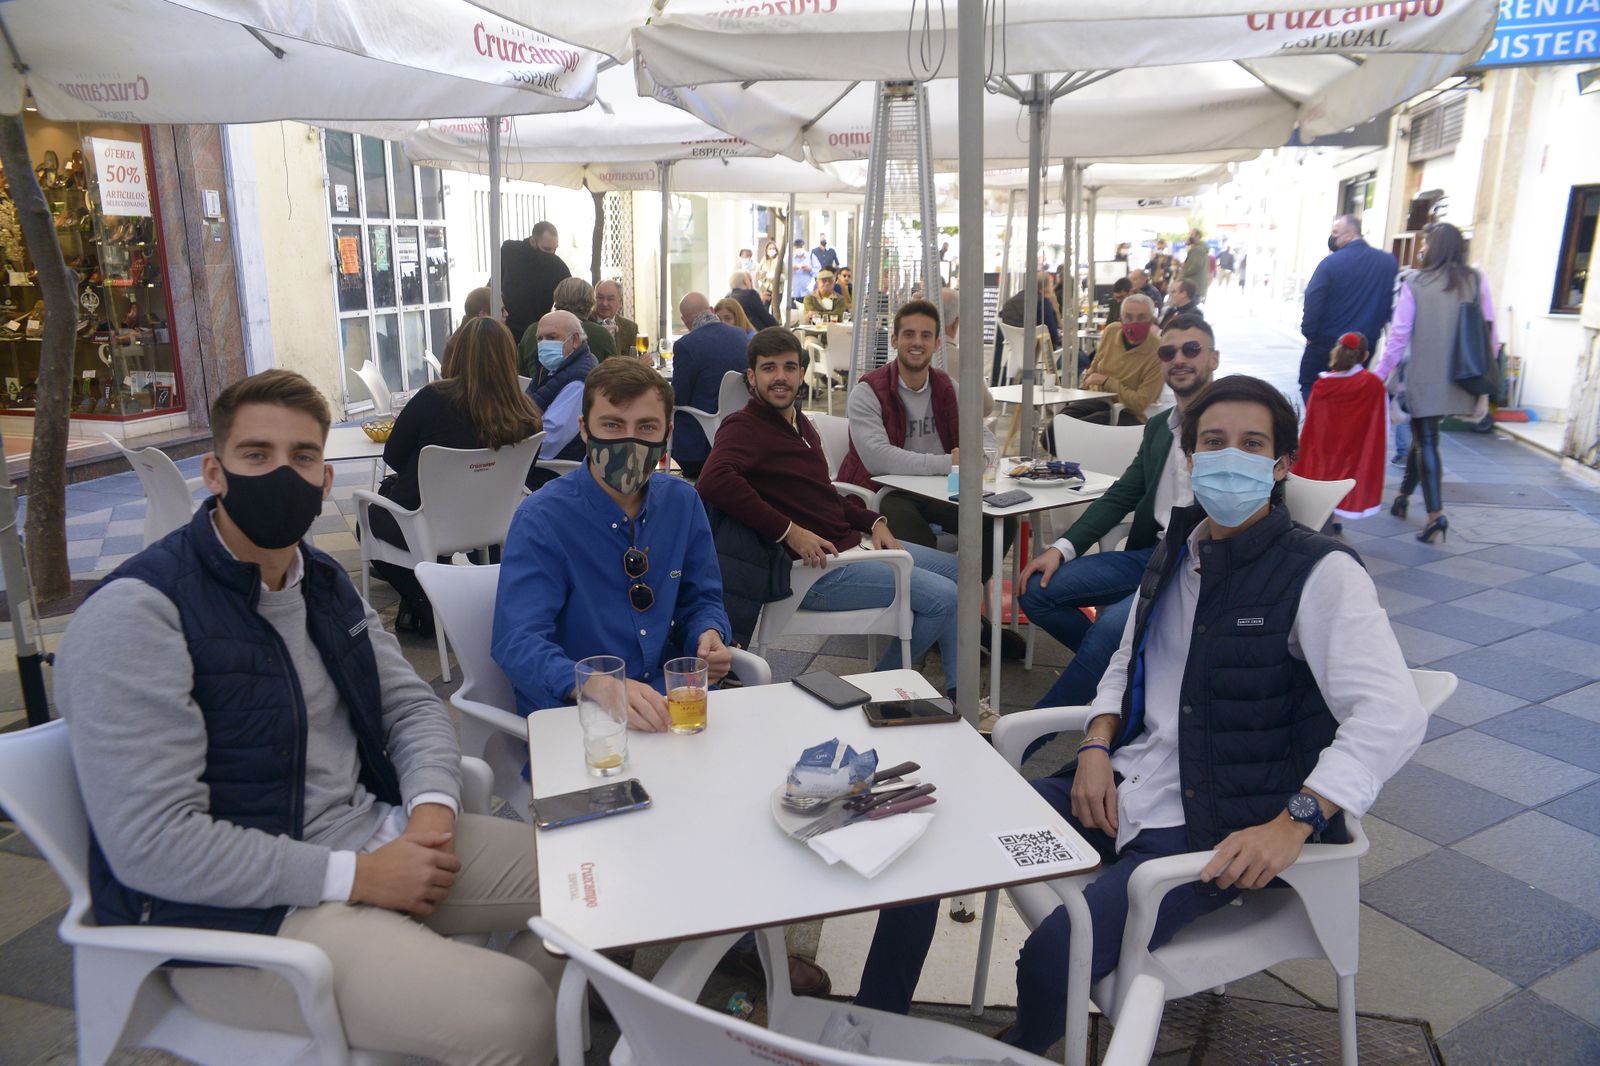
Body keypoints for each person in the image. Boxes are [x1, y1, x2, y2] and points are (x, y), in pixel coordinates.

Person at [858, 374, 1427, 1055]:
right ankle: (867, 1031)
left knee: (1049, 959)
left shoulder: (1320, 573)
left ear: (1280, 466)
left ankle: (1026, 1044)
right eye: (1213, 442)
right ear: (1187, 456)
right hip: (1117, 787)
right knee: (930, 847)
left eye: (1252, 445)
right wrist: (1097, 744)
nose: (1229, 458)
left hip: (1212, 825)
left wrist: (1296, 820)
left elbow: (1391, 712)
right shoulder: (1178, 551)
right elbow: (1127, 664)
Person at [57, 369, 563, 1066]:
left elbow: (411, 705)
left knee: (596, 885)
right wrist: (356, 878)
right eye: (256, 456)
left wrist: (432, 812)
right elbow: (153, 843)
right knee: (515, 1009)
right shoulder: (139, 615)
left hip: (381, 840)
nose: (282, 475)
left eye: (301, 458)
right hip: (245, 925)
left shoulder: (318, 581)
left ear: (325, 479)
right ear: (214, 472)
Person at [491, 357, 833, 999]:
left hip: (672, 706)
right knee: (629, 840)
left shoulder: (682, 501)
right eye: (611, 424)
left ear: (668, 434)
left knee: (749, 796)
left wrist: (711, 635)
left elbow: (704, 594)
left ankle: (730, 939)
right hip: (581, 728)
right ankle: (611, 954)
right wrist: (592, 684)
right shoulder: (544, 519)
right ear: (585, 430)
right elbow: (515, 640)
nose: (629, 440)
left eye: (646, 427)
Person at [696, 327, 962, 697]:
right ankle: (875, 690)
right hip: (818, 573)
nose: (781, 377)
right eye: (769, 368)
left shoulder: (800, 424)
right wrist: (789, 531)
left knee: (960, 574)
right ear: (752, 378)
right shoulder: (744, 426)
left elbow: (824, 496)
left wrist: (875, 520)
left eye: (789, 367)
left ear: (801, 374)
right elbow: (712, 481)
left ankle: (958, 692)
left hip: (851, 548)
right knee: (945, 598)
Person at [1019, 313, 1217, 713]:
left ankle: (1026, 739)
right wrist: (1062, 547)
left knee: (1111, 629)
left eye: (1191, 349)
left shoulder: (1229, 424)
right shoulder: (1161, 426)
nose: (1179, 358)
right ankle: (1126, 670)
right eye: (1169, 351)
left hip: (1200, 565)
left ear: (1213, 358)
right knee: (1035, 591)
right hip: (1151, 555)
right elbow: (1122, 493)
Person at [369, 317, 544, 633]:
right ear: (508, 356)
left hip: (424, 524)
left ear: (457, 353)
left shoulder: (433, 398)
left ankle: (427, 601)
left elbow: (392, 455)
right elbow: (525, 473)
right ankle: (443, 595)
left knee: (368, 519)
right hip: (494, 522)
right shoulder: (527, 411)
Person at [838, 298, 1012, 592]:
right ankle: (937, 610)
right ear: (894, 340)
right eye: (909, 334)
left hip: (941, 492)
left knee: (1001, 521)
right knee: (910, 528)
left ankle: (964, 608)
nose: (917, 343)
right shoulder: (868, 391)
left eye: (926, 335)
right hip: (887, 492)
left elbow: (985, 441)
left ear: (937, 343)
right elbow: (878, 459)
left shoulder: (947, 388)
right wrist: (949, 463)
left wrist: (978, 458)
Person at [1370, 221, 1496, 545]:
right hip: (1463, 375)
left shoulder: (1416, 282)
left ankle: (1435, 515)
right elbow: (1490, 332)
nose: (1422, 247)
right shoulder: (1476, 280)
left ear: (1433, 247)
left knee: (1426, 439)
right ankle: (1402, 496)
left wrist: (1380, 373)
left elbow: (1398, 337)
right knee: (1422, 437)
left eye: (1425, 243)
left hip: (1425, 376)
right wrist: (1489, 369)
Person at [1299, 214, 1399, 401]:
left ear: (1350, 234)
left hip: (1327, 342)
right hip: (1364, 345)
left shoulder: (1331, 263)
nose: (1332, 237)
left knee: (1312, 386)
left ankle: (1324, 427)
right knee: (1352, 394)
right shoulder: (1388, 263)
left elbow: (1313, 297)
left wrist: (1309, 333)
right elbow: (1390, 302)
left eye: (1335, 233)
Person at [1297, 332, 1389, 529]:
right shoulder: (1373, 385)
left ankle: (1323, 512)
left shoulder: (1322, 385)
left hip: (1326, 445)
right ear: (1365, 356)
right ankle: (1338, 518)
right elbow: (1380, 422)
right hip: (1355, 445)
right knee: (1348, 476)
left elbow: (1312, 424)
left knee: (1324, 473)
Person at [670, 292, 752, 478]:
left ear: (684, 320)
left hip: (700, 449)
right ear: (712, 310)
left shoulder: (686, 345)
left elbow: (679, 397)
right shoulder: (740, 335)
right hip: (739, 434)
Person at [1060, 293, 1163, 426]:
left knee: (1074, 429)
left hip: (1130, 413)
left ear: (1151, 319)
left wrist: (1106, 381)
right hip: (1097, 399)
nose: (1134, 323)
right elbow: (1094, 367)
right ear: (1121, 318)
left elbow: (1139, 403)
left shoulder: (1158, 351)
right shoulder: (1111, 331)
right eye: (1129, 317)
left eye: (1141, 317)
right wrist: (1085, 386)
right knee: (1056, 426)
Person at [526, 310, 597, 464]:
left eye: (552, 337)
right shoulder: (549, 368)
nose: (544, 343)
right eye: (539, 339)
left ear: (575, 340)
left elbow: (548, 440)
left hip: (549, 470)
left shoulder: (578, 381)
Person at [501, 220, 570, 344]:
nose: (552, 254)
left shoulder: (558, 267)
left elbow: (571, 299)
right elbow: (494, 283)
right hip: (506, 329)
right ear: (533, 241)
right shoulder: (509, 251)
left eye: (555, 249)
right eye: (547, 249)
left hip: (536, 334)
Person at [994, 272, 1062, 386]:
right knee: (1080, 359)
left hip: (1013, 353)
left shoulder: (1010, 302)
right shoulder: (1043, 303)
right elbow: (1053, 336)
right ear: (1047, 286)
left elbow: (1002, 319)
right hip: (1040, 356)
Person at [529, 277, 616, 365]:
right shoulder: (601, 334)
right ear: (590, 302)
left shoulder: (532, 330)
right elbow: (614, 370)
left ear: (556, 298)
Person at [937, 287, 994, 416]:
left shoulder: (911, 358)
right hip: (959, 433)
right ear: (956, 323)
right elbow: (986, 407)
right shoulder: (964, 361)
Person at [594, 278, 639, 356]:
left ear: (620, 302)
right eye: (600, 298)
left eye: (610, 299)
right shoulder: (585, 324)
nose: (604, 303)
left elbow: (635, 358)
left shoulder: (630, 328)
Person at [1180, 230, 1210, 304]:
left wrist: (1184, 274)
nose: (1189, 236)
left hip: (1193, 283)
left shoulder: (1197, 249)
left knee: (1190, 305)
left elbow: (1196, 266)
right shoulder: (1199, 248)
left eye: (1191, 234)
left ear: (1197, 236)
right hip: (1196, 283)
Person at [756, 239, 783, 316]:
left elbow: (785, 276)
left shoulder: (780, 261)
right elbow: (758, 274)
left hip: (777, 289)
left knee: (775, 310)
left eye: (773, 248)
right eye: (770, 249)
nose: (772, 250)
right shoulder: (763, 260)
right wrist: (763, 276)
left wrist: (775, 276)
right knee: (764, 308)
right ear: (766, 250)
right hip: (765, 288)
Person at [791, 238, 815, 305]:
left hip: (807, 292)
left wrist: (810, 269)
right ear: (794, 247)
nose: (799, 248)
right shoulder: (790, 258)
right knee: (794, 314)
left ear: (804, 246)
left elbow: (818, 272)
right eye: (797, 247)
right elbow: (784, 272)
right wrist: (791, 269)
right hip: (794, 293)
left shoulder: (810, 256)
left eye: (801, 247)